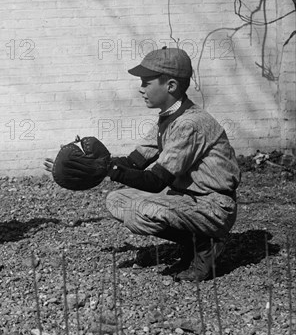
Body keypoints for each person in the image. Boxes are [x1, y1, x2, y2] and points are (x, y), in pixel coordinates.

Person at [46, 47, 240, 281]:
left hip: (213, 205)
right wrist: (94, 163)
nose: (141, 89)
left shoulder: (190, 124)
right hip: (188, 199)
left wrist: (109, 170)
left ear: (170, 86)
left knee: (141, 210)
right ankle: (194, 240)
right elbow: (134, 162)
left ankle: (207, 243)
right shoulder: (169, 118)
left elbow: (156, 181)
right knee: (116, 200)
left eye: (147, 82)